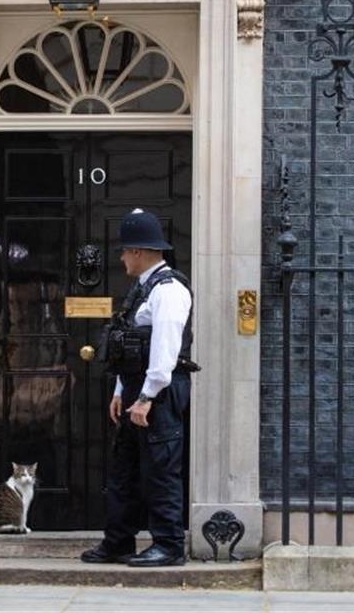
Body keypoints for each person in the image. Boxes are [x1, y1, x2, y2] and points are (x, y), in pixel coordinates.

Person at [80, 208, 196, 567]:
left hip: (156, 393)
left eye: (124, 250)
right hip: (135, 390)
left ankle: (169, 545)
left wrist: (147, 396)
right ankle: (119, 542)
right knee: (124, 470)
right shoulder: (142, 288)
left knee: (160, 470)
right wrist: (120, 392)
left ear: (139, 252)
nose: (120, 257)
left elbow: (165, 349)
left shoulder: (169, 290)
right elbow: (128, 345)